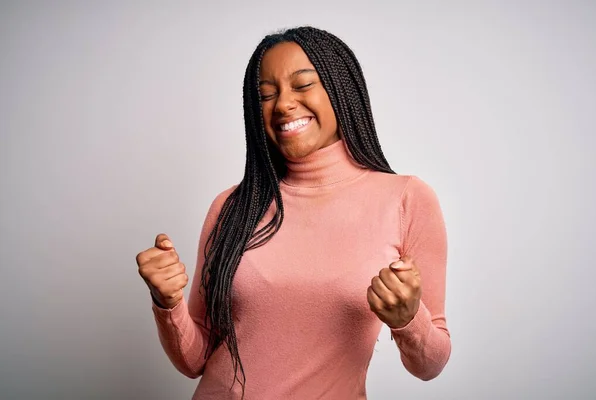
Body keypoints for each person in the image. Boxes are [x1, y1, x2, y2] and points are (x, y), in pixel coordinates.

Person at [135, 26, 451, 400]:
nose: (282, 104)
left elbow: (430, 365)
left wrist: (408, 320)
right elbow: (195, 360)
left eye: (302, 85)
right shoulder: (233, 207)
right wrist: (167, 303)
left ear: (340, 89)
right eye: (266, 95)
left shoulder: (405, 199)